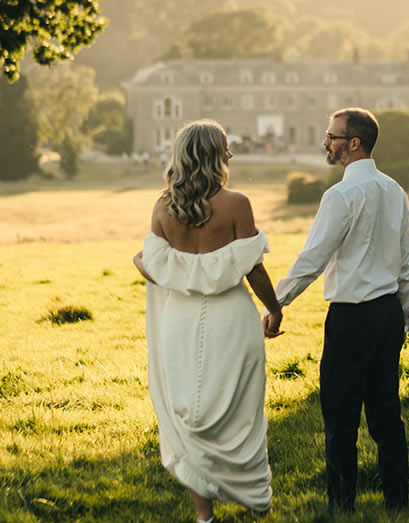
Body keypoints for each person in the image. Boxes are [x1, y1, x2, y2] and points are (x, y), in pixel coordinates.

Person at [134, 119, 284, 523]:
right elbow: (253, 270)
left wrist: (138, 262)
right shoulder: (237, 204)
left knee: (190, 416)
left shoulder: (163, 207)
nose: (231, 155)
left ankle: (205, 517)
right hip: (231, 320)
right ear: (214, 155)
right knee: (242, 413)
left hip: (179, 322)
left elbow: (154, 267)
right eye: (226, 148)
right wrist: (275, 307)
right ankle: (255, 502)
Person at [275, 107, 409, 512]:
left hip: (351, 318)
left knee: (340, 419)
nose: (326, 142)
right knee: (387, 416)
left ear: (353, 144)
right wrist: (402, 316)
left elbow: (312, 258)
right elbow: (406, 263)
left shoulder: (340, 195)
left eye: (332, 136)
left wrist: (276, 304)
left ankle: (341, 506)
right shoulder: (395, 191)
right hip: (388, 313)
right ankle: (397, 504)